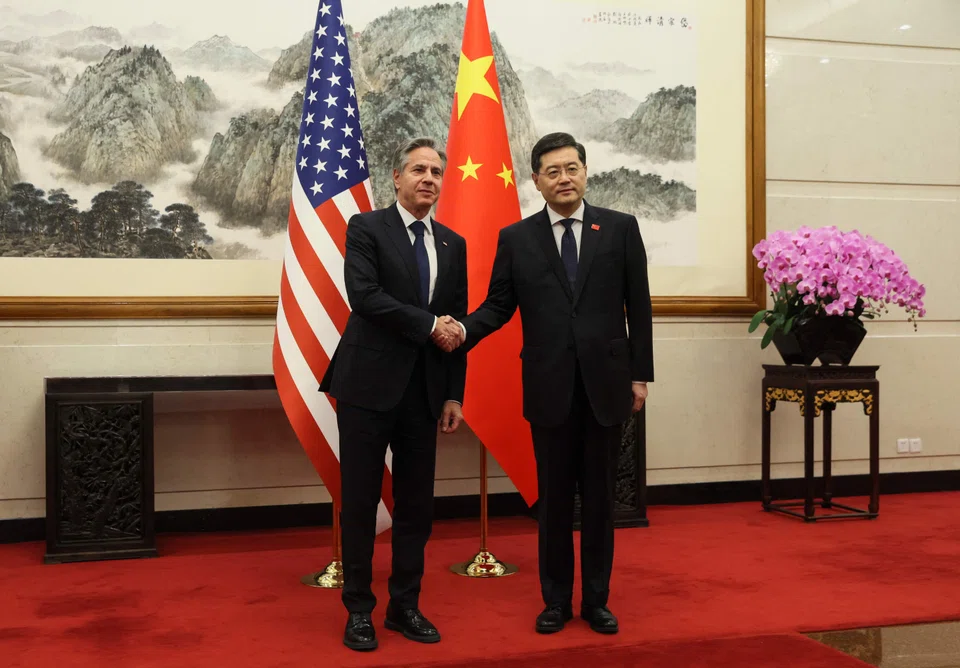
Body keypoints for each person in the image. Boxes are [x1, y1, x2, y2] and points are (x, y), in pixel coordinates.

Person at [449, 132, 653, 635]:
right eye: (552, 171)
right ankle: (556, 602)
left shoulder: (621, 229)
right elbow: (499, 306)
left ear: (585, 172)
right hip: (549, 386)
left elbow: (640, 307)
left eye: (572, 168)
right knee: (555, 501)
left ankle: (598, 600)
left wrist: (641, 375)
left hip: (607, 386)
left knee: (602, 501)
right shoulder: (518, 238)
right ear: (536, 181)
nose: (564, 178)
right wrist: (462, 330)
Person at [319, 137, 467, 652]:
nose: (428, 178)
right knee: (360, 501)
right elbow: (365, 297)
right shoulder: (366, 228)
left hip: (425, 394)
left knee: (416, 508)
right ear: (396, 178)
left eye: (436, 172)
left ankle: (406, 606)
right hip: (366, 386)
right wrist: (429, 324)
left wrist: (454, 394)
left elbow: (457, 328)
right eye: (418, 170)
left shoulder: (453, 243)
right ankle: (359, 609)